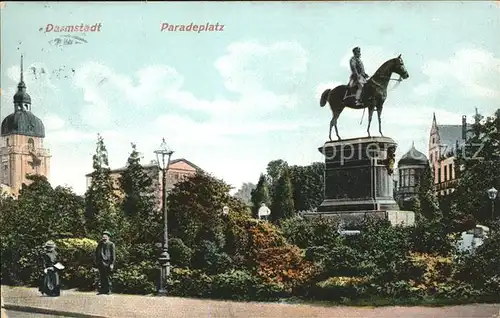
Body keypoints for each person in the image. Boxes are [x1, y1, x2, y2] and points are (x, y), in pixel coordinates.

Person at [94, 230, 116, 295]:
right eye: (103, 237)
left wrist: (112, 264)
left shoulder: (111, 244)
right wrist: (97, 262)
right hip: (101, 263)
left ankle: (109, 290)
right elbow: (96, 252)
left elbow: (113, 255)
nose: (104, 238)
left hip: (108, 263)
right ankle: (102, 290)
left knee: (108, 277)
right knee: (102, 277)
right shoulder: (100, 244)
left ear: (108, 237)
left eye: (105, 237)